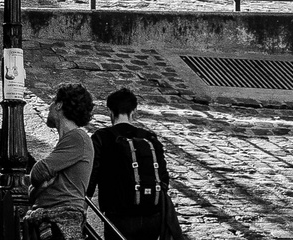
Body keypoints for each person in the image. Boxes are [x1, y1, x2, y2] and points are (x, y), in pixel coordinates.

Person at [88, 88, 179, 240]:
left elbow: (91, 176)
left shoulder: (102, 137)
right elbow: (163, 178)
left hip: (118, 216)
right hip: (152, 215)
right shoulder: (149, 138)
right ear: (134, 111)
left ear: (110, 111)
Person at [24, 83, 96, 240]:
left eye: (52, 101)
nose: (49, 106)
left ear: (59, 105)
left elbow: (38, 172)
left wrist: (39, 185)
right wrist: (40, 187)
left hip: (61, 223)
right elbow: (33, 191)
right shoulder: (68, 142)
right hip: (52, 222)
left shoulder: (77, 138)